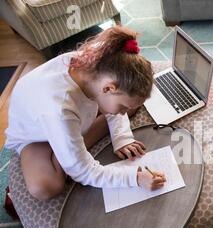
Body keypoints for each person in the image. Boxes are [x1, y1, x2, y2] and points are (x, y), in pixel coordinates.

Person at [5, 26, 166, 201]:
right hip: (37, 138)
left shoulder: (101, 62)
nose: (124, 113)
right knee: (45, 188)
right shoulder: (60, 108)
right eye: (122, 107)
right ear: (108, 88)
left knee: (130, 104)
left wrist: (121, 137)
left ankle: (71, 146)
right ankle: (67, 152)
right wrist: (135, 177)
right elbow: (83, 172)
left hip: (74, 115)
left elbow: (117, 106)